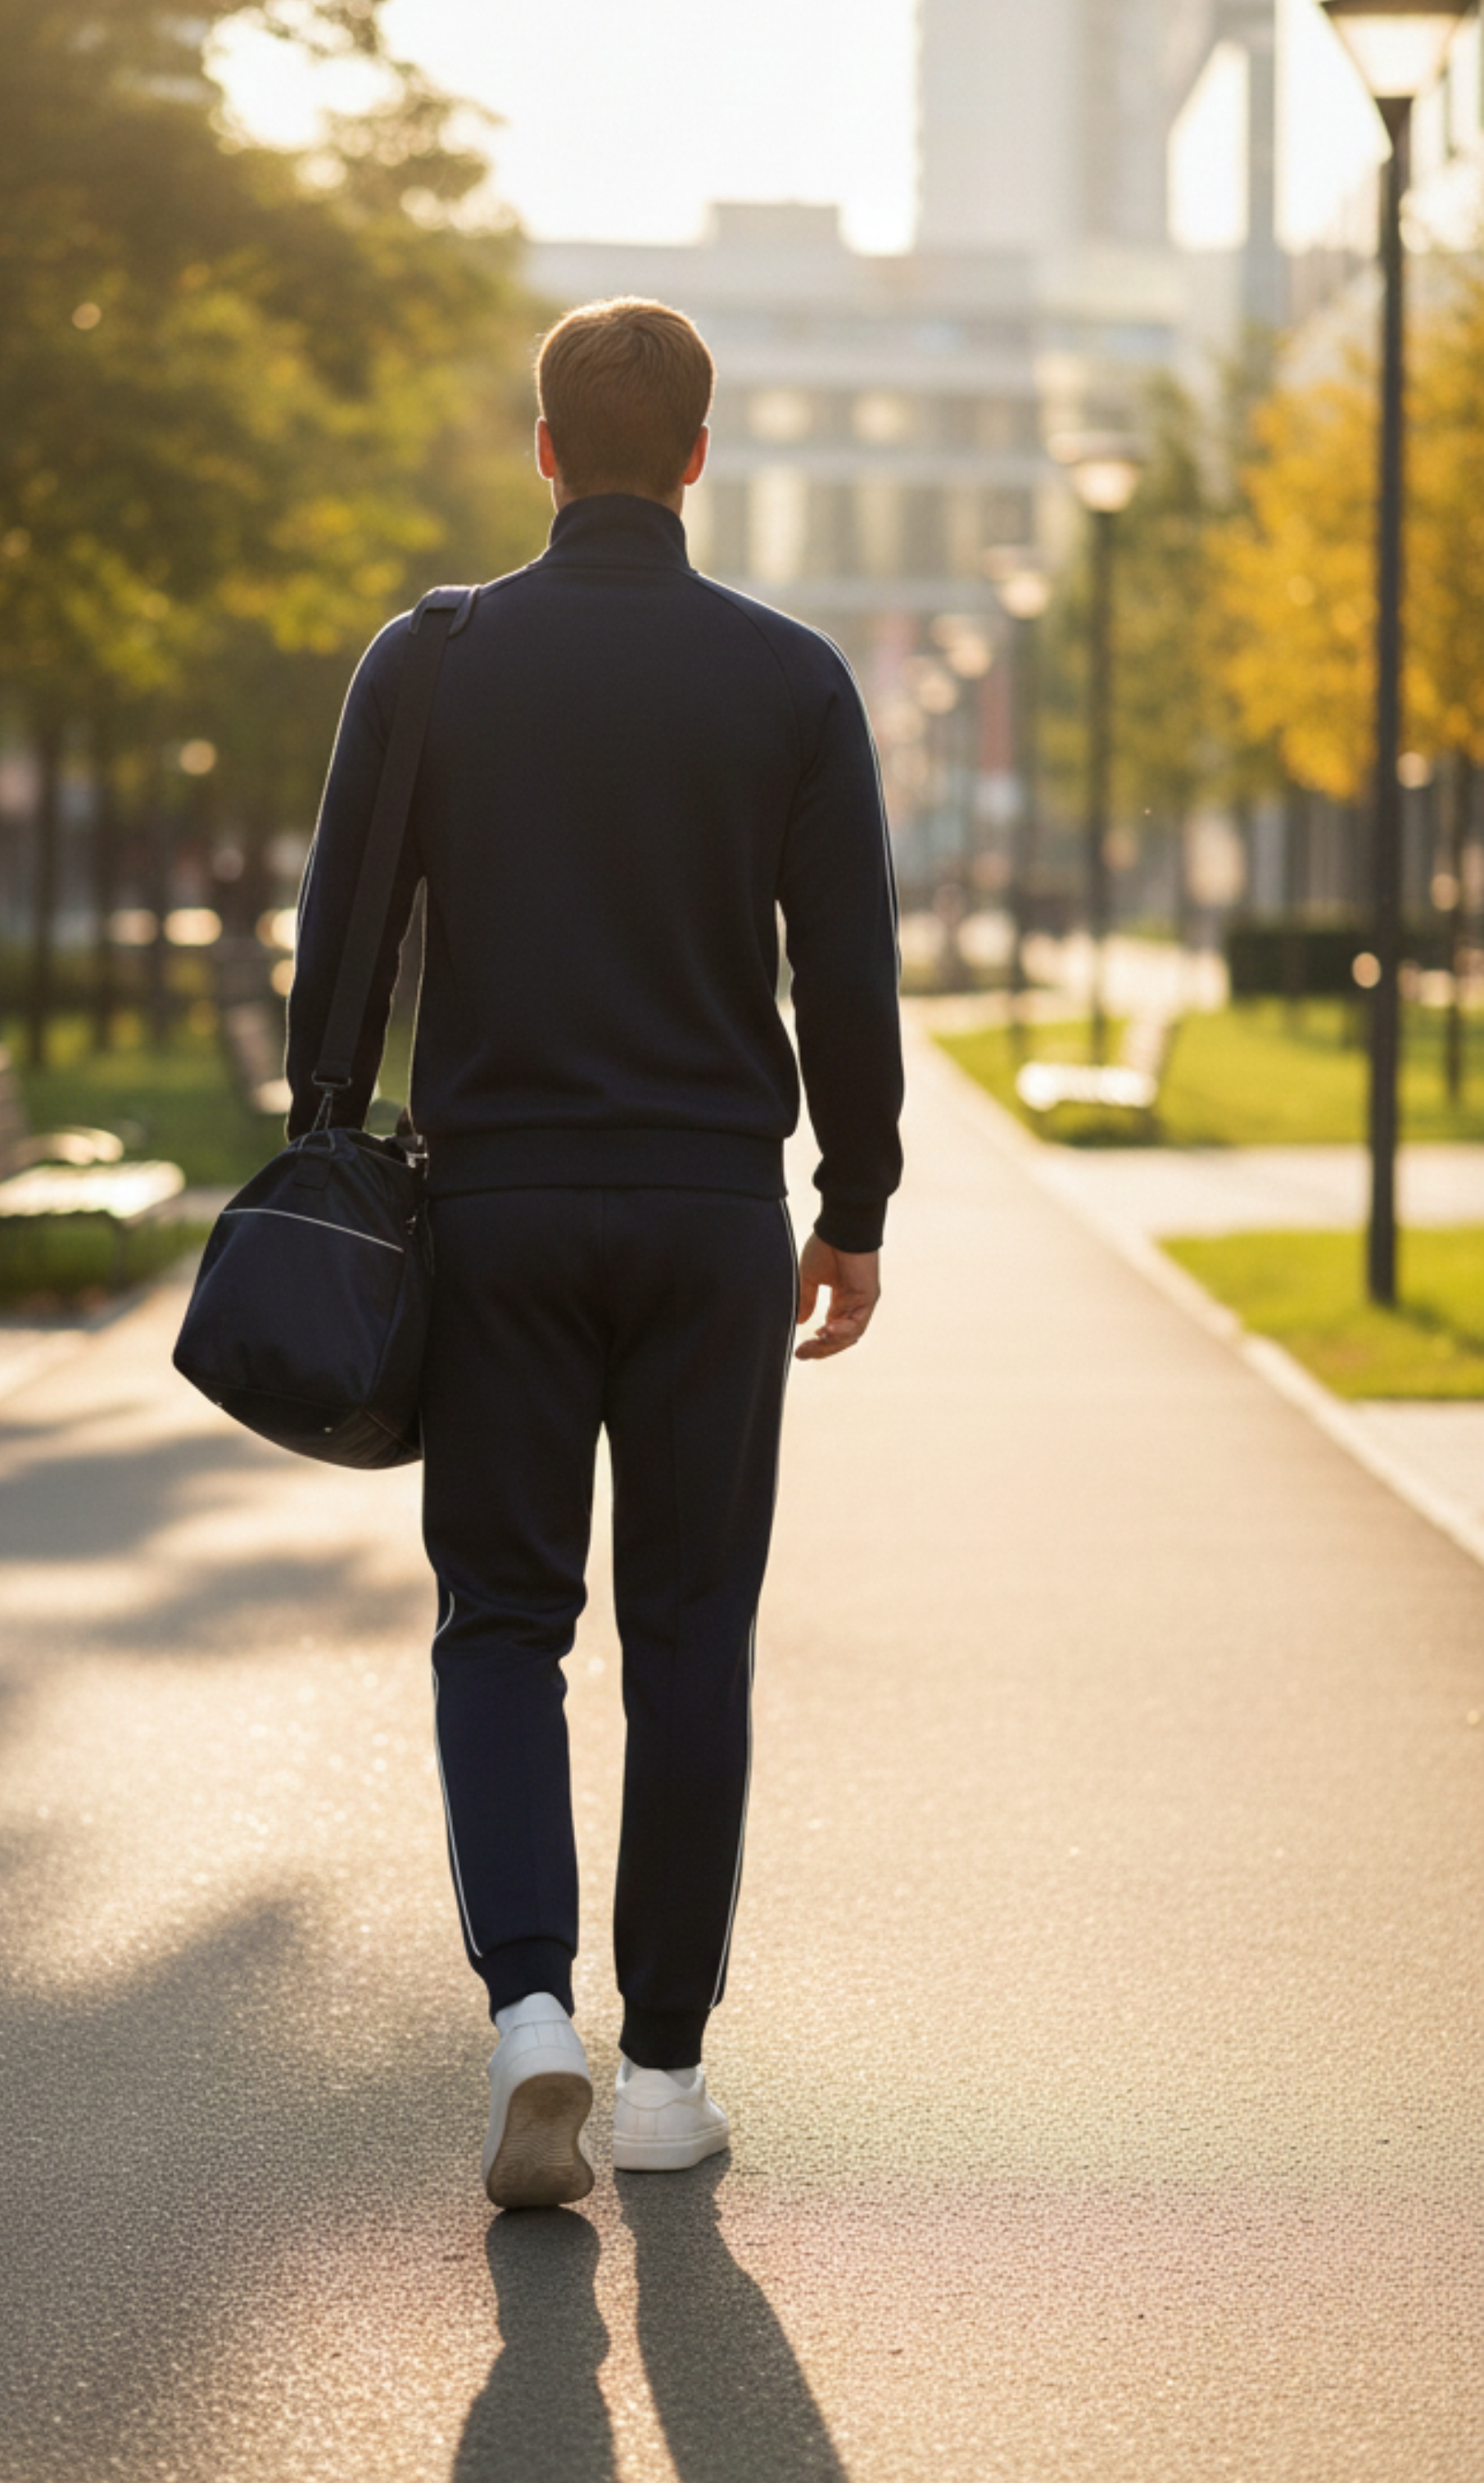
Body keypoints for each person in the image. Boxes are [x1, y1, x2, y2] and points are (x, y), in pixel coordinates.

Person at [286, 297, 903, 2208]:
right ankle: (667, 2079)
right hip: (716, 1214)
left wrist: (324, 1150)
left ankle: (531, 2015)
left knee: (502, 1618)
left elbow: (345, 936)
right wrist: (854, 1209)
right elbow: (851, 972)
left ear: (540, 448)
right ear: (700, 458)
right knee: (692, 1632)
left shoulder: (432, 658)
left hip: (501, 1211)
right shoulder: (793, 680)